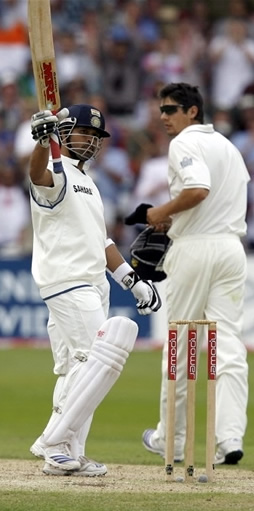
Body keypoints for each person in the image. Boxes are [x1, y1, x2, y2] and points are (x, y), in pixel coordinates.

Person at [28, 103, 161, 476]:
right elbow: (36, 175)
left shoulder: (89, 182)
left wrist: (132, 282)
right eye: (85, 133)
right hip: (67, 280)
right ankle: (53, 442)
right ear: (65, 133)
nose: (93, 141)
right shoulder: (56, 170)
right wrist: (42, 142)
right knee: (99, 361)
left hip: (93, 281)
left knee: (76, 367)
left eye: (97, 136)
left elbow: (101, 241)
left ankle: (70, 452)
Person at [141, 82, 249, 465]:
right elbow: (214, 199)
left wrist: (160, 213)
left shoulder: (185, 143)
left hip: (196, 251)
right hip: (231, 249)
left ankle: (172, 440)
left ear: (193, 112)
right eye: (162, 111)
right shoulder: (230, 148)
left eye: (172, 110)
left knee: (180, 342)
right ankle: (229, 438)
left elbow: (199, 189)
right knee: (230, 345)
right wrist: (178, 221)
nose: (165, 117)